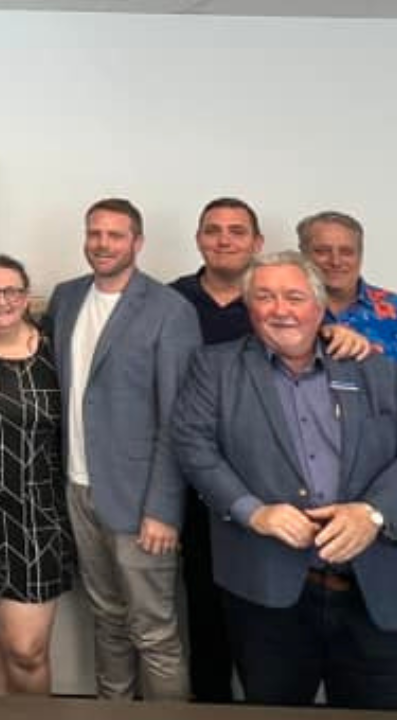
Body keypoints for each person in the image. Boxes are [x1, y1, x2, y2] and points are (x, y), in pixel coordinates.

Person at [173, 251, 397, 710]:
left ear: (319, 306)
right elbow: (193, 446)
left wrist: (374, 513)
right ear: (248, 306)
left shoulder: (372, 366)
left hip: (372, 587)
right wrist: (252, 512)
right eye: (265, 297)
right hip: (266, 589)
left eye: (294, 297)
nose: (280, 310)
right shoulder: (214, 367)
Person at [47, 198, 199, 701]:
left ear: (137, 242)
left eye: (115, 235)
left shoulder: (169, 311)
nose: (102, 243)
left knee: (154, 633)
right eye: (94, 233)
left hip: (140, 502)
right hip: (78, 489)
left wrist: (164, 509)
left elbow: (178, 418)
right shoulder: (67, 298)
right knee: (107, 620)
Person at [0, 254, 75, 695]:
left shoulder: (54, 349)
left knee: (26, 649)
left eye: (11, 291)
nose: (1, 300)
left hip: (40, 513)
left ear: (26, 297)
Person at [297, 210, 397, 357]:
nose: (335, 261)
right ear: (303, 254)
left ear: (360, 254)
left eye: (346, 252)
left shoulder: (394, 307)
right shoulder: (282, 310)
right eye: (323, 251)